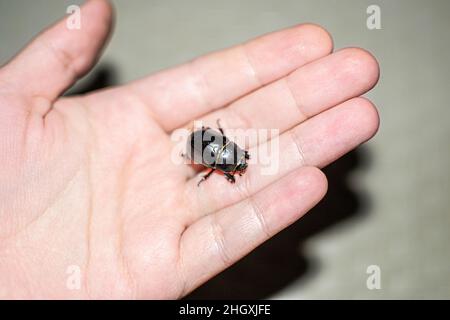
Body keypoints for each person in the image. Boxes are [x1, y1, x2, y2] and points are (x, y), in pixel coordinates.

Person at [0, 0, 379, 299]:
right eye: (237, 165)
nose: (239, 164)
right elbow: (221, 157)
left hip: (206, 147)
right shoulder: (220, 157)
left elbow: (224, 157)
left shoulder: (224, 156)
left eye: (237, 163)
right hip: (205, 147)